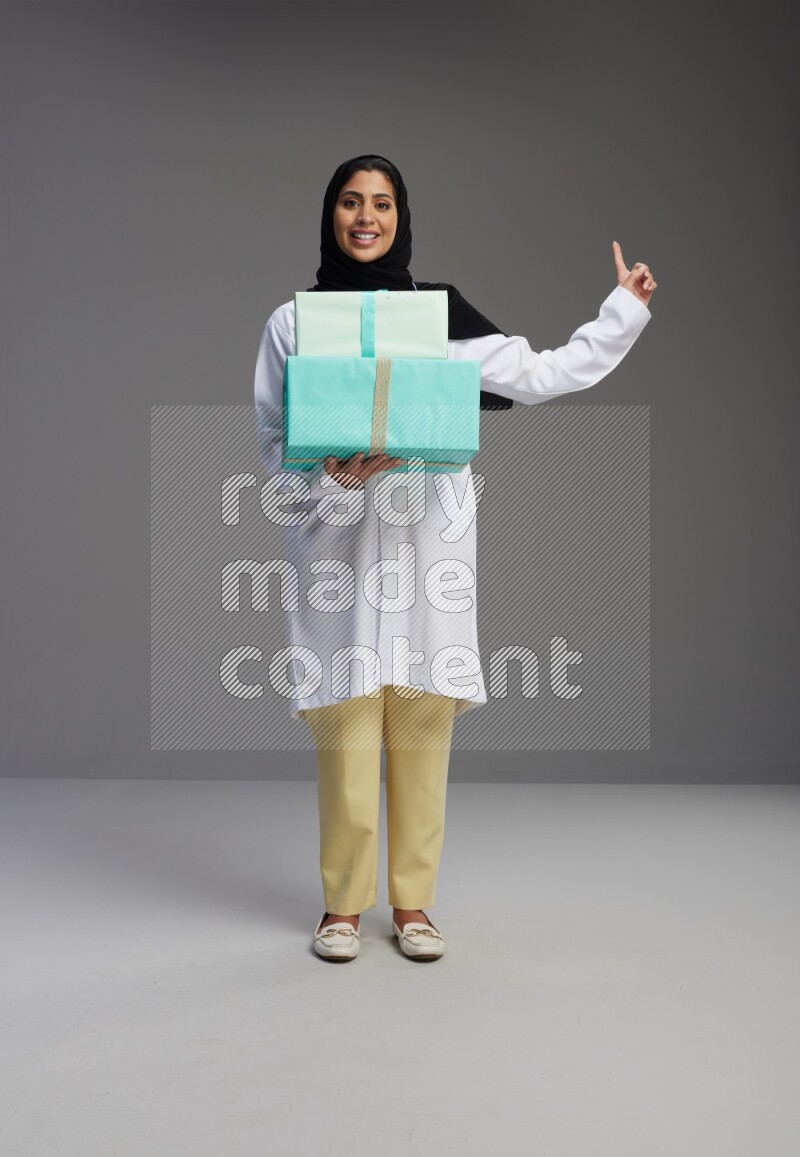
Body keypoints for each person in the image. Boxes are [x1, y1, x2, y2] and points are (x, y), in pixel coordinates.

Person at [253, 153, 657, 962]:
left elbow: (540, 374)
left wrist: (622, 312)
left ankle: (412, 904)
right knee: (346, 729)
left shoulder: (439, 318)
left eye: (382, 203)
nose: (366, 217)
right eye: (350, 202)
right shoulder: (293, 323)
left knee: (421, 726)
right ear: (330, 215)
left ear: (401, 218)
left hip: (425, 550)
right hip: (338, 553)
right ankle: (342, 906)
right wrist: (329, 480)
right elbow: (271, 442)